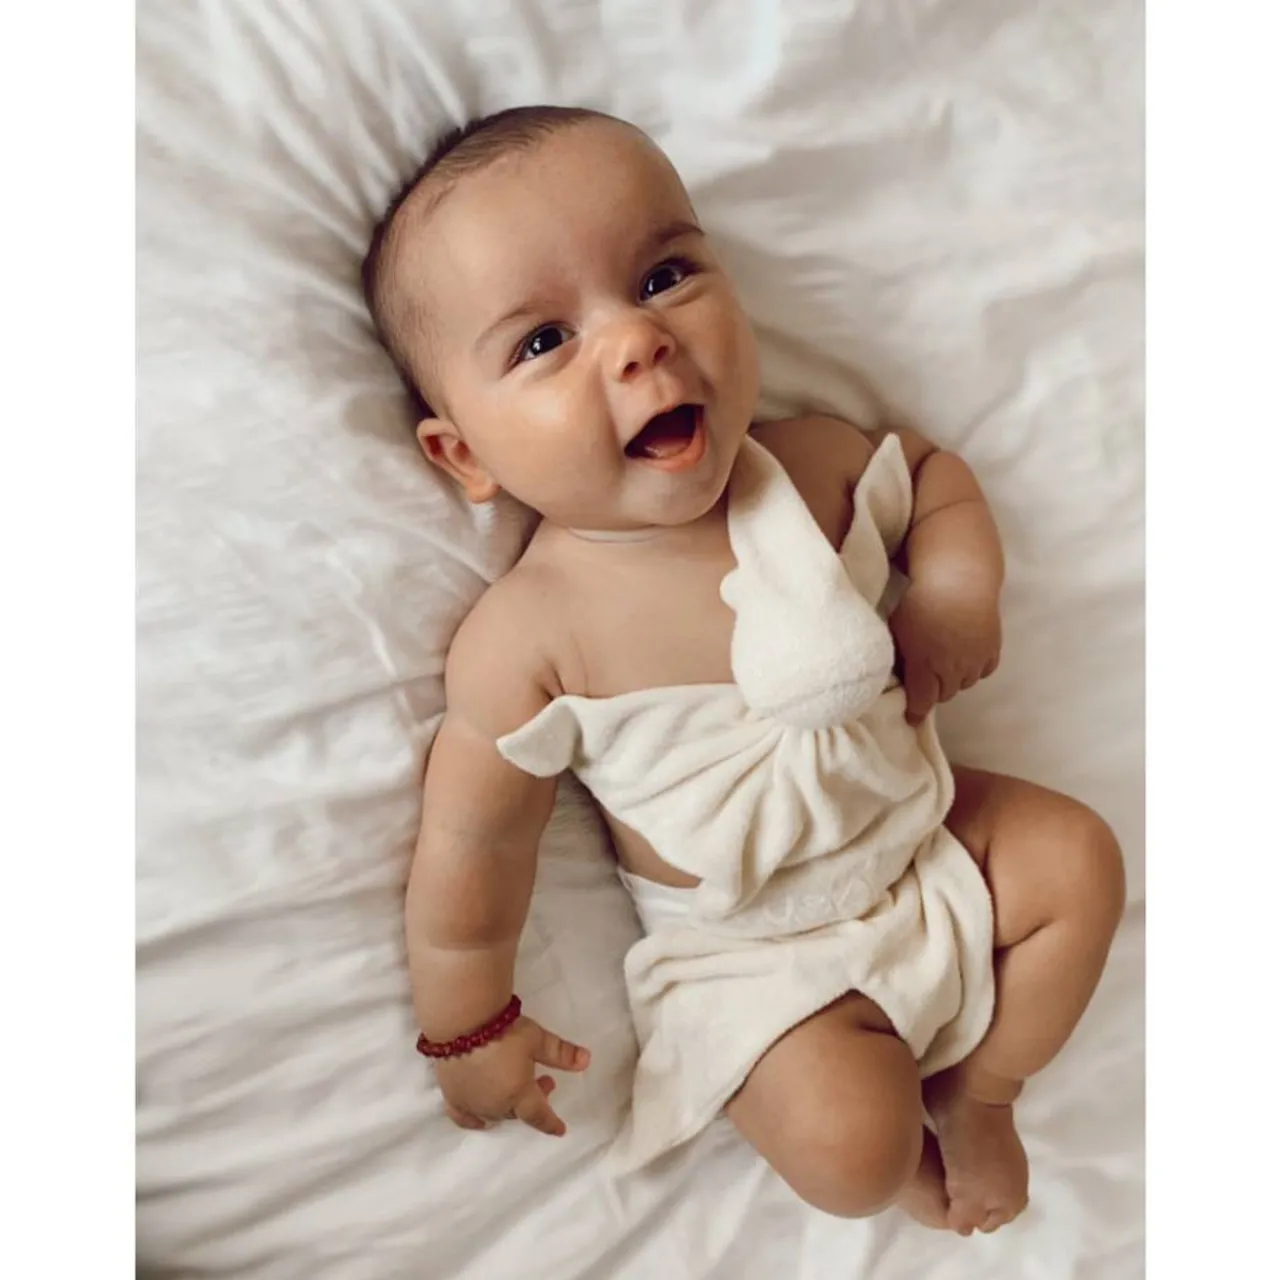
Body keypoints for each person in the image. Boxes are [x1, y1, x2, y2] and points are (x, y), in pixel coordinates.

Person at [362, 105, 1126, 1236]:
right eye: (543, 341)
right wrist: (466, 1024)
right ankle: (886, 1117)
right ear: (464, 452)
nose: (637, 339)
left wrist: (956, 594)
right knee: (852, 1155)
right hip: (750, 953)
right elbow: (474, 852)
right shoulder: (530, 634)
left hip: (923, 837)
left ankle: (984, 1089)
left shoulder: (809, 466)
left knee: (1078, 858)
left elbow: (932, 477)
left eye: (664, 276)